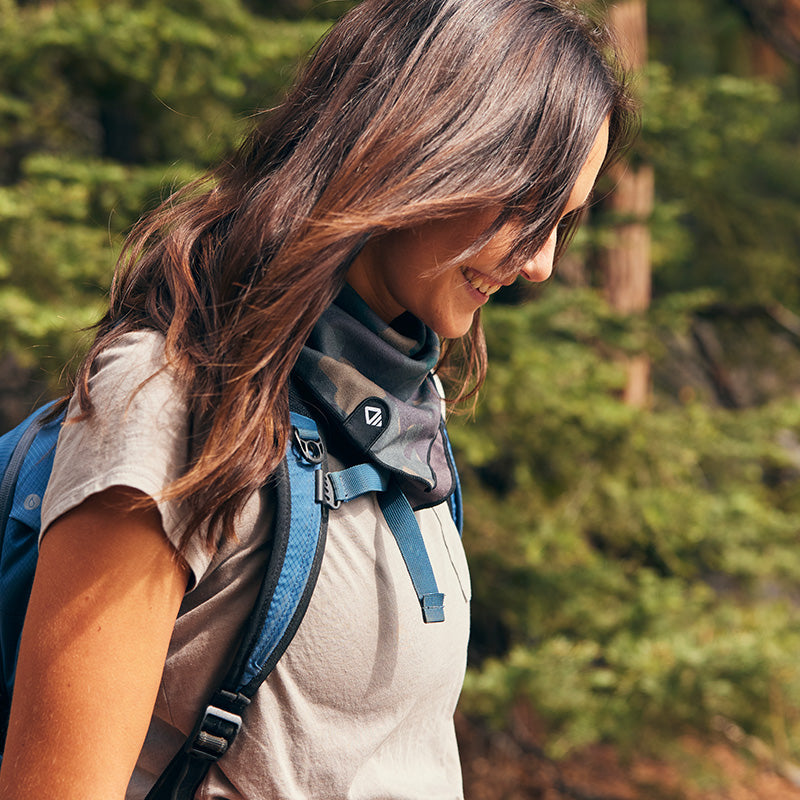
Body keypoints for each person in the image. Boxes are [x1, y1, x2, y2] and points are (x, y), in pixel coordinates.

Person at [0, 0, 636, 797]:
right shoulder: (171, 402)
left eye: (562, 224)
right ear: (430, 149)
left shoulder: (406, 417)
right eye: (530, 207)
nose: (540, 263)